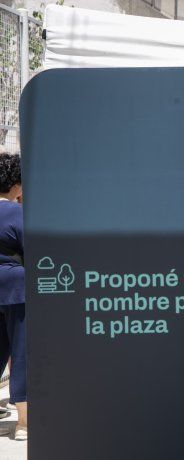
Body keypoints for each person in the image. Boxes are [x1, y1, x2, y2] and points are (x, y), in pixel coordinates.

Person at [0, 153, 27, 440]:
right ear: (16, 186)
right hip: (15, 289)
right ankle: (23, 423)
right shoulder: (18, 214)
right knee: (21, 351)